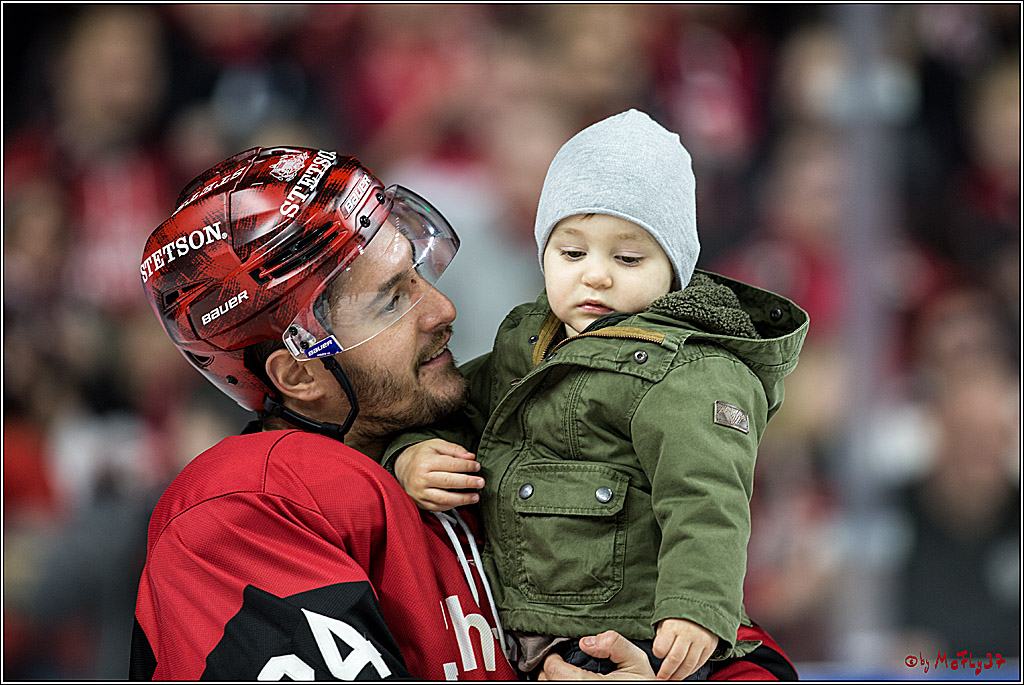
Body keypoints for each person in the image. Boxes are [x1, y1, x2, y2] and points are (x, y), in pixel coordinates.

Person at [129, 145, 699, 681]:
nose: (442, 309)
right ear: (299, 375)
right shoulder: (242, 512)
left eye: (418, 275)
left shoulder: (505, 438)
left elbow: (731, 648)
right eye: (391, 301)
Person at [381, 110, 809, 679]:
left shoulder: (691, 372)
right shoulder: (526, 341)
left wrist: (696, 608)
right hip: (517, 630)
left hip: (632, 634)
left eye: (628, 258)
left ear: (674, 270)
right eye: (572, 253)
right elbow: (456, 406)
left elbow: (707, 501)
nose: (596, 276)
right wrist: (409, 455)